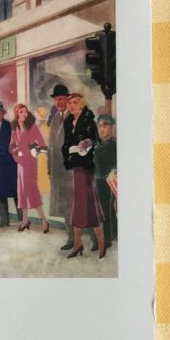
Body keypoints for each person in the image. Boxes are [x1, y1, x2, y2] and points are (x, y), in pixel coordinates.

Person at [61, 92, 105, 258]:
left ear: (82, 104)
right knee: (79, 205)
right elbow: (66, 145)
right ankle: (78, 245)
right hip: (76, 167)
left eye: (75, 102)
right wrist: (69, 154)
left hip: (86, 168)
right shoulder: (68, 122)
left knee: (89, 204)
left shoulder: (89, 121)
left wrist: (87, 144)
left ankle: (101, 244)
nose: (72, 105)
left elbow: (95, 141)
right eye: (70, 103)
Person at [10, 103, 49, 232]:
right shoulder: (14, 128)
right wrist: (16, 154)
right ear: (17, 114)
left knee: (32, 191)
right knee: (21, 192)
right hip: (20, 164)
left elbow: (42, 145)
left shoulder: (33, 127)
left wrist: (34, 151)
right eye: (21, 112)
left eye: (26, 111)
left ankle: (44, 220)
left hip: (31, 164)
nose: (24, 114)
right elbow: (11, 146)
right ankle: (25, 220)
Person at [46, 83, 74, 251]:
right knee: (64, 206)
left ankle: (78, 238)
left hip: (70, 170)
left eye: (61, 99)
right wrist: (49, 168)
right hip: (57, 169)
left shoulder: (74, 116)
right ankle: (71, 238)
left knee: (74, 205)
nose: (59, 102)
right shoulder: (56, 118)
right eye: (56, 100)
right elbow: (50, 146)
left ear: (67, 99)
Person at [94, 114, 117, 247]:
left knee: (106, 209)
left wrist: (114, 172)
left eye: (105, 125)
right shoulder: (98, 146)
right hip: (98, 180)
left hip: (108, 181)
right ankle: (113, 234)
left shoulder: (114, 146)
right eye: (100, 125)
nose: (102, 129)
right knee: (103, 209)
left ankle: (107, 238)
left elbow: (117, 165)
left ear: (111, 127)